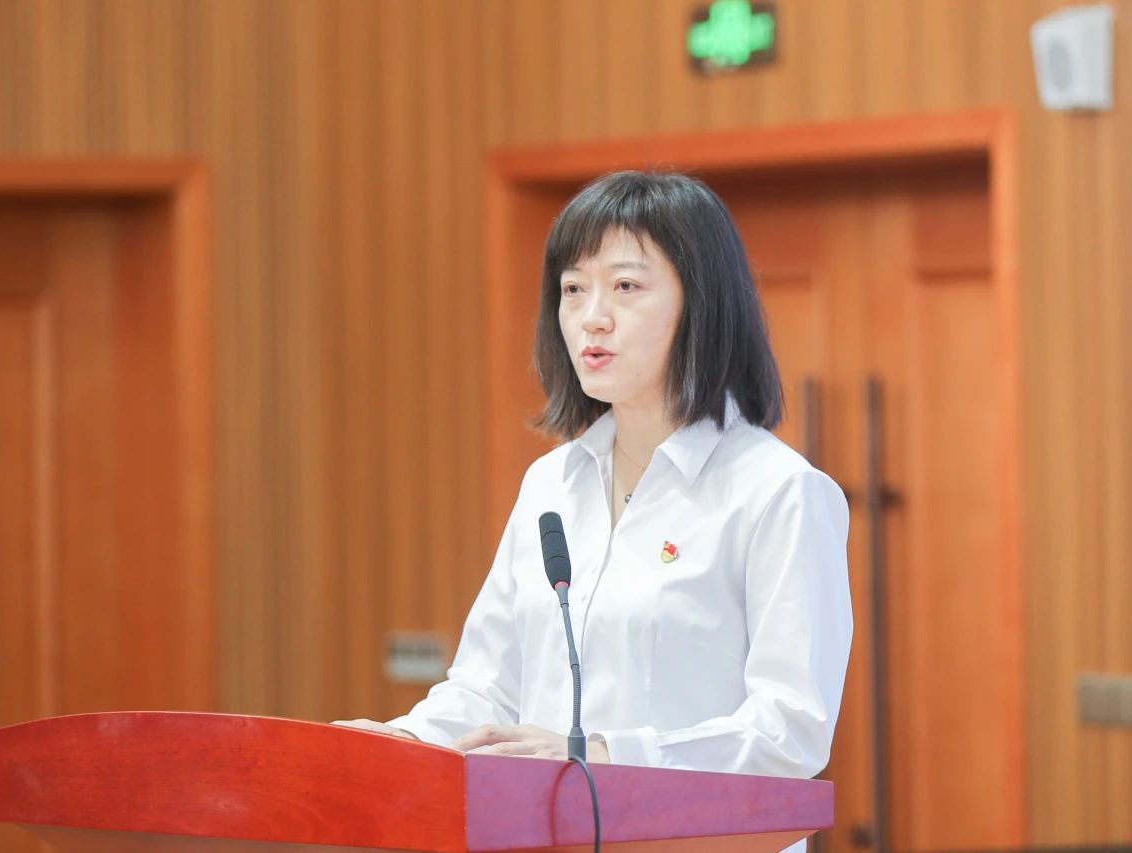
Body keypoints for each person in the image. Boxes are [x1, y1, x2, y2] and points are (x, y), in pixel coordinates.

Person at [335, 172, 852, 847]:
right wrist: (401, 741)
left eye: (626, 286)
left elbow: (791, 731)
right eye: (573, 289)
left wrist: (603, 754)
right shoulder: (551, 484)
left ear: (701, 303)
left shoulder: (779, 490)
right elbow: (489, 688)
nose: (592, 316)